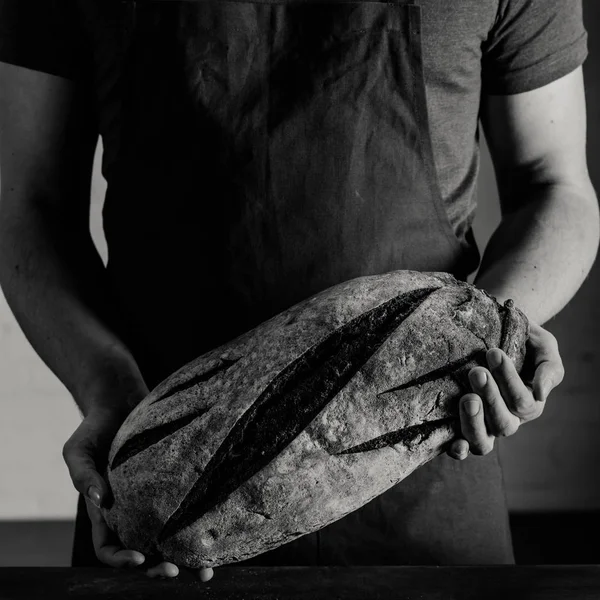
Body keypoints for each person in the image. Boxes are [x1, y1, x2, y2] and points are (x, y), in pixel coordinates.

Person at [0, 0, 597, 582]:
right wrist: (104, 386)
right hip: (166, 473)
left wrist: (489, 332)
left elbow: (555, 183)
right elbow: (27, 207)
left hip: (429, 462)